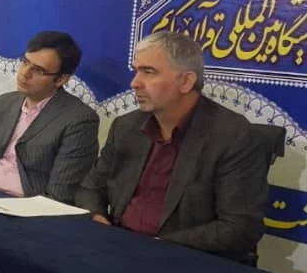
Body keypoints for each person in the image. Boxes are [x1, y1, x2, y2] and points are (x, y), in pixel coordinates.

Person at [75, 31, 269, 260]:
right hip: (118, 249)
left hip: (185, 261)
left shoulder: (234, 136)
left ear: (186, 81)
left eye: (149, 72)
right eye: (136, 71)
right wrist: (97, 218)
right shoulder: (126, 127)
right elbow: (90, 188)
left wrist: (158, 246)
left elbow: (240, 227)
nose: (134, 83)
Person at [0, 31, 98, 203]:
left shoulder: (78, 119)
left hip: (24, 209)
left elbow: (60, 194)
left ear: (61, 79)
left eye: (38, 70)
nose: (25, 73)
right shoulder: (4, 103)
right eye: (25, 62)